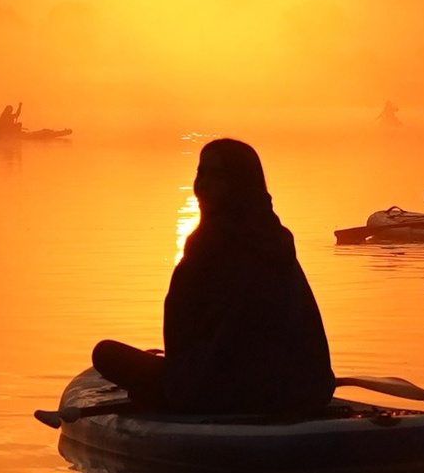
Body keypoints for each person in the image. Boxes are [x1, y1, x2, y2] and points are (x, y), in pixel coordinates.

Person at [90, 138, 335, 414]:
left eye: (216, 175)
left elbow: (193, 333)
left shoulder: (211, 244)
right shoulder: (275, 238)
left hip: (224, 391)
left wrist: (173, 381)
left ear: (240, 184)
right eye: (200, 173)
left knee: (106, 354)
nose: (203, 183)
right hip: (306, 391)